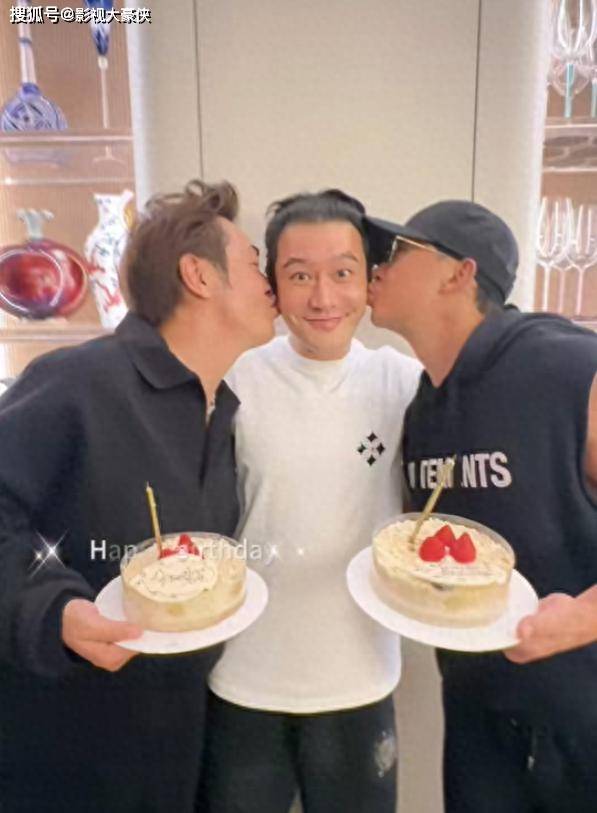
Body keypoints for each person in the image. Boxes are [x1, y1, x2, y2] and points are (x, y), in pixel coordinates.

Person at [0, 180, 276, 813]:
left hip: (169, 753)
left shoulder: (222, 410)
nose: (271, 286)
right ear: (198, 275)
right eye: (254, 263)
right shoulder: (79, 383)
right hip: (58, 756)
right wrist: (51, 608)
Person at [365, 199, 597, 813]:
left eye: (398, 251)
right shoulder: (424, 407)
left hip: (582, 725)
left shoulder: (565, 367)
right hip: (478, 727)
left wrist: (582, 617)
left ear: (458, 273)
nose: (376, 267)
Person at [198, 190, 421, 813]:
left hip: (360, 675)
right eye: (299, 276)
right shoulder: (234, 378)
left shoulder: (403, 383)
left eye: (343, 273)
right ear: (273, 285)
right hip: (243, 673)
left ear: (369, 280)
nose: (323, 299)